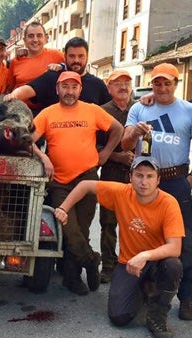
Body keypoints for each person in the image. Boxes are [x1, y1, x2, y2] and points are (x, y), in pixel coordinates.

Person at [54, 156, 184, 338]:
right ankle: (143, 289)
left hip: (156, 262)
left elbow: (175, 247)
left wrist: (145, 255)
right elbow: (84, 186)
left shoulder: (168, 203)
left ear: (158, 180)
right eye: (139, 175)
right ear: (130, 177)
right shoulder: (122, 192)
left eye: (149, 176)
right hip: (128, 263)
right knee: (119, 317)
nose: (144, 182)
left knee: (173, 265)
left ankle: (157, 315)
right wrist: (64, 208)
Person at [121, 63, 192, 321]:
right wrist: (135, 131)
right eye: (157, 83)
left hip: (175, 179)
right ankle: (146, 285)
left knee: (184, 239)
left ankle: (188, 297)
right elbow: (125, 143)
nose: (162, 88)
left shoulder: (189, 110)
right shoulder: (139, 107)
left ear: (176, 84)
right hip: (144, 180)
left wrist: (191, 177)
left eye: (167, 83)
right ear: (151, 84)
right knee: (141, 232)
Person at [31, 71, 124, 295]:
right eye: (65, 87)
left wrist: (105, 154)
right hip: (60, 183)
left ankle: (71, 279)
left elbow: (117, 130)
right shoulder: (47, 114)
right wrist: (43, 157)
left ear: (80, 90)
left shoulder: (92, 110)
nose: (69, 92)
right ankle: (91, 260)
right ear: (57, 89)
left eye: (74, 87)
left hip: (88, 178)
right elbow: (28, 141)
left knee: (81, 230)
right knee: (69, 230)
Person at [4, 37, 110, 115]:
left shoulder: (98, 85)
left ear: (87, 57)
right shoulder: (52, 77)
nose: (76, 60)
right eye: (72, 56)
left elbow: (111, 113)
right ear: (65, 57)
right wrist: (13, 96)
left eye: (81, 56)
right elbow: (27, 89)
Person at [97, 69, 136, 283]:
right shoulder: (102, 112)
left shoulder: (141, 108)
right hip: (111, 173)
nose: (123, 86)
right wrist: (118, 157)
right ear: (109, 88)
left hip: (138, 177)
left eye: (126, 82)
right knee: (109, 222)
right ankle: (109, 266)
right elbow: (95, 146)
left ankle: (130, 264)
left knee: (134, 223)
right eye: (117, 83)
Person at [8, 21, 64, 90]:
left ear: (45, 38)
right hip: (19, 100)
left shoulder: (57, 55)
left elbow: (76, 68)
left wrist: (62, 66)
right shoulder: (16, 61)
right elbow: (9, 89)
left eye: (39, 36)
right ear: (24, 40)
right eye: (31, 36)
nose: (35, 40)